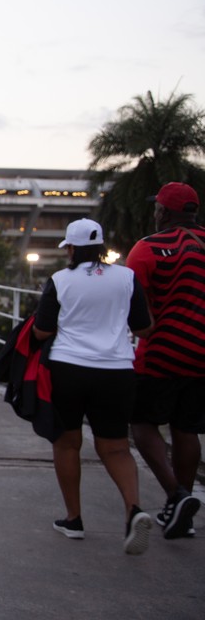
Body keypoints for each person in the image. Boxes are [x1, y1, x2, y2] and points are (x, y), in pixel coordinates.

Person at [32, 218, 154, 555]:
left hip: (68, 368)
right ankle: (134, 509)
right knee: (115, 446)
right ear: (101, 246)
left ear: (70, 248)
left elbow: (42, 330)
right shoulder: (126, 277)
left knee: (68, 443)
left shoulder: (61, 280)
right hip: (117, 370)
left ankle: (74, 519)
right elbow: (143, 328)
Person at [127, 181, 205, 539]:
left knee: (143, 426)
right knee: (187, 429)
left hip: (159, 353)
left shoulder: (147, 249)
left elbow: (135, 310)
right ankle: (180, 513)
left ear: (163, 212)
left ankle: (177, 495)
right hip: (201, 356)